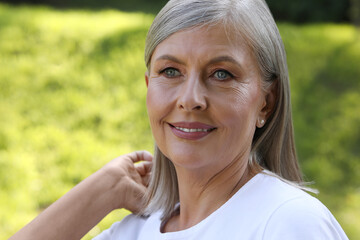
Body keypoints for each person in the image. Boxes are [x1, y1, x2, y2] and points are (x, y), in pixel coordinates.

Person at [10, 0, 349, 239]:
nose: (190, 99)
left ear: (265, 102)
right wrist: (103, 191)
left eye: (221, 74)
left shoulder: (288, 224)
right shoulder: (136, 230)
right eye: (171, 71)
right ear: (148, 87)